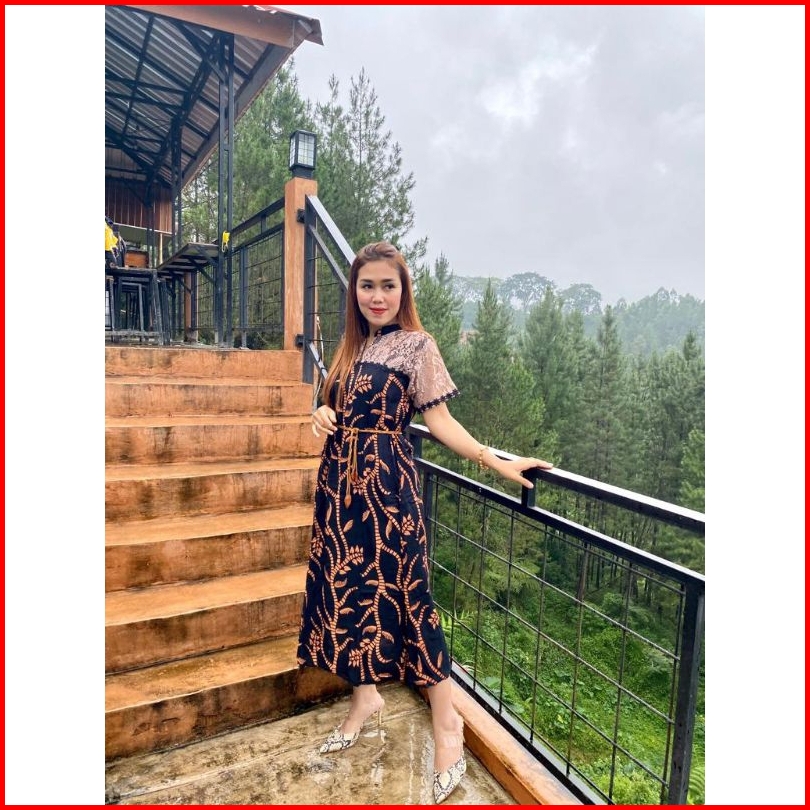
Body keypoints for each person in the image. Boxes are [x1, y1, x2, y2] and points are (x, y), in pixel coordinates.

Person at [297, 241, 553, 803]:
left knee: (410, 600)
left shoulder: (418, 346)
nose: (377, 296)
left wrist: (494, 460)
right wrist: (321, 412)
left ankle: (447, 724)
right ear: (354, 292)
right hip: (339, 488)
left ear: (403, 290)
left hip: (387, 491)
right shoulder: (350, 346)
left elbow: (440, 422)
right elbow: (335, 406)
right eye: (367, 286)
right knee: (346, 592)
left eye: (388, 286)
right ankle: (365, 696)